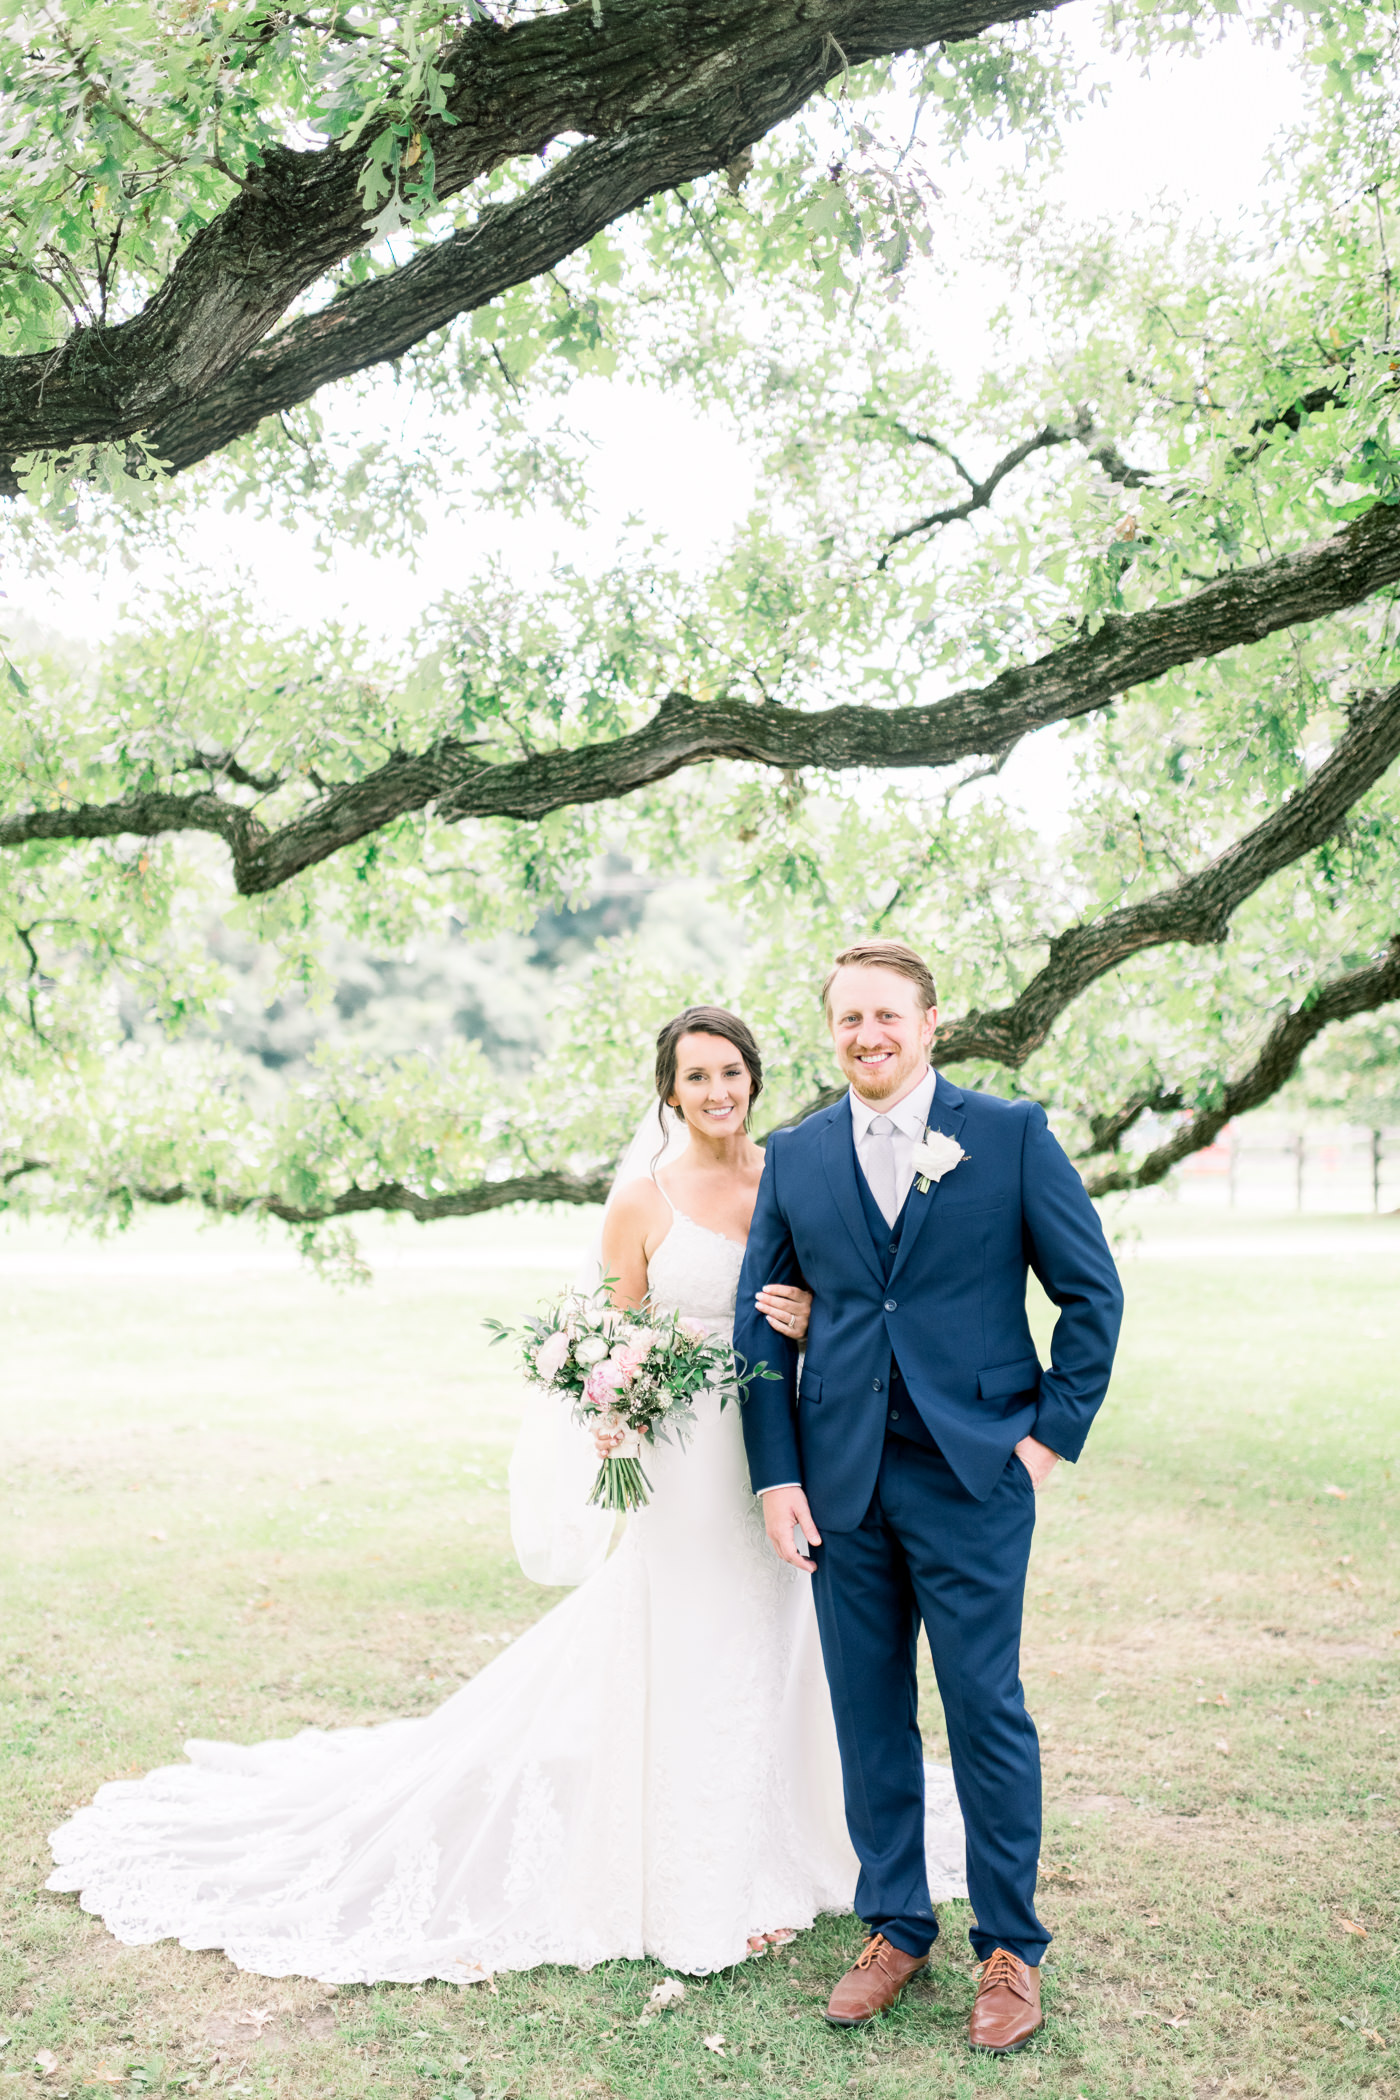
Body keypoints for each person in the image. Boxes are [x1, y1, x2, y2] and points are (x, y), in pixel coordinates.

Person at [47, 1003, 965, 1984]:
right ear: (669, 1091)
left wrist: (813, 1316)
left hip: (781, 1447)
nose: (717, 1091)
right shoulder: (641, 1201)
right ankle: (698, 1881)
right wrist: (614, 1399)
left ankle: (784, 1842)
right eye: (696, 1076)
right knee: (696, 1645)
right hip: (687, 1455)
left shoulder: (790, 1175)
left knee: (770, 1636)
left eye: (732, 1071)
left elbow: (848, 1294)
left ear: (754, 1078)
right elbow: (607, 1333)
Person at [734, 941, 1123, 2055]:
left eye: (886, 1017)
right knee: (867, 1715)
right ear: (832, 1031)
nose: (867, 1036)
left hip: (973, 1479)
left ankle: (1009, 1947)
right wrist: (775, 1472)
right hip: (840, 1478)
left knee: (984, 1710)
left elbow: (1089, 1295)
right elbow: (762, 1324)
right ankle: (895, 1925)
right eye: (847, 1019)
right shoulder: (797, 1155)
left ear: (929, 1023)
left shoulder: (1005, 1136)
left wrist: (1045, 1442)